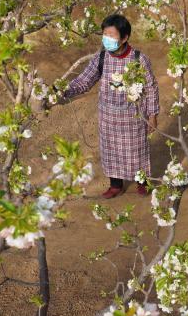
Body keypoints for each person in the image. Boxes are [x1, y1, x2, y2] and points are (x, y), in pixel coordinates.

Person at [53, 14, 159, 199]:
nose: (107, 40)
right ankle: (115, 185)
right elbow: (84, 80)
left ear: (124, 38)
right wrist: (63, 90)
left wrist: (152, 115)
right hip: (108, 117)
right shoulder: (101, 58)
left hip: (132, 118)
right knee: (111, 152)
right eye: (105, 35)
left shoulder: (139, 59)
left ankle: (142, 182)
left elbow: (150, 88)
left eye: (112, 36)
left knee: (136, 151)